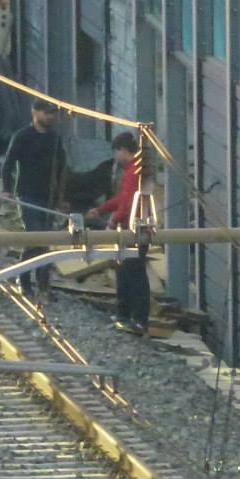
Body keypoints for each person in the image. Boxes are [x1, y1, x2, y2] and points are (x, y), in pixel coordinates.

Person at [86, 132, 156, 336]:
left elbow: (127, 203)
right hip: (132, 229)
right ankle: (125, 315)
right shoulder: (135, 171)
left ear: (122, 150)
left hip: (132, 231)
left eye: (116, 153)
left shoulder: (135, 172)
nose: (116, 158)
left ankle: (138, 319)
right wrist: (101, 209)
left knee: (133, 274)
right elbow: (123, 199)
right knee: (125, 272)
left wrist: (112, 220)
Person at [1, 98, 67, 300]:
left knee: (44, 241)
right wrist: (7, 189)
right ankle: (24, 281)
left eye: (53, 114)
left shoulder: (55, 139)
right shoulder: (23, 136)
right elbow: (8, 164)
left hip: (48, 196)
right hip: (28, 194)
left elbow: (62, 168)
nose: (51, 117)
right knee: (34, 238)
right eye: (47, 113)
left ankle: (43, 285)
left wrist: (62, 197)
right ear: (35, 113)